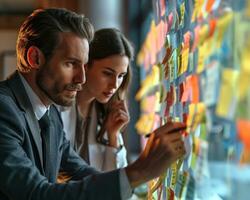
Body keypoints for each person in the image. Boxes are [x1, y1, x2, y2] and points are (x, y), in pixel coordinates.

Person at [0, 8, 186, 200]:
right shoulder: (4, 109)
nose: (81, 78)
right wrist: (139, 171)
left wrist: (134, 183)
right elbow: (37, 194)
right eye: (71, 64)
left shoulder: (50, 113)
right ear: (34, 58)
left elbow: (80, 170)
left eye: (83, 65)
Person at [58, 28, 132, 172]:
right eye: (107, 73)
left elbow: (114, 183)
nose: (115, 85)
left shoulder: (107, 115)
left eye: (121, 75)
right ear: (85, 66)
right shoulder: (57, 107)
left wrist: (113, 136)